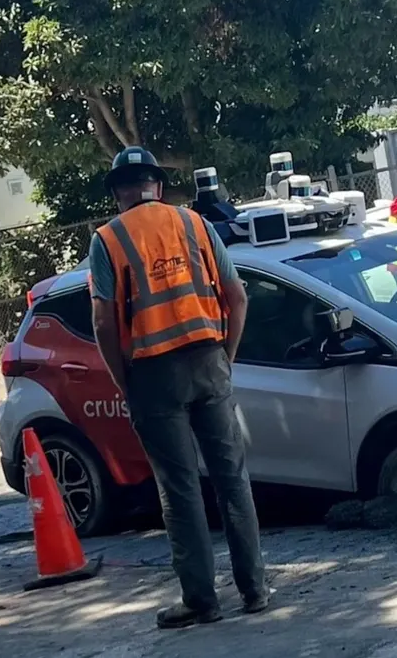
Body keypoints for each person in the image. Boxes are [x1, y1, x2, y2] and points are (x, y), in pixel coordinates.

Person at [87, 146, 269, 630]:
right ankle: (254, 590)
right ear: (159, 187)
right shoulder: (195, 225)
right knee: (232, 480)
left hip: (151, 373)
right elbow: (238, 295)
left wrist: (122, 379)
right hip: (209, 360)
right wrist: (224, 358)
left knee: (180, 489)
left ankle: (201, 600)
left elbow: (104, 321)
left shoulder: (108, 239)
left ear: (118, 194)